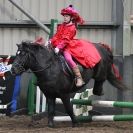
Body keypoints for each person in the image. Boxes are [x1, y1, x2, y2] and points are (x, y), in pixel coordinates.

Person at [50, 5, 101, 87]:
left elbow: (66, 40)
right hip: (57, 45)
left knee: (68, 59)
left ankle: (79, 78)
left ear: (71, 18)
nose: (65, 18)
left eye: (67, 16)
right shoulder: (61, 26)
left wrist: (58, 48)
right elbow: (56, 36)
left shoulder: (72, 28)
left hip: (67, 46)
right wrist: (50, 41)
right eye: (64, 16)